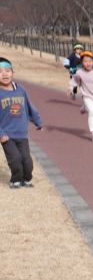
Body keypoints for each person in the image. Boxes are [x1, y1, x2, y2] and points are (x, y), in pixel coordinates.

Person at [0, 57, 43, 189]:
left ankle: (26, 179)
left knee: (27, 160)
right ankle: (16, 180)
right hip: (6, 135)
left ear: (13, 72)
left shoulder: (20, 89)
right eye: (0, 71)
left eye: (7, 70)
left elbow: (30, 106)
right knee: (15, 159)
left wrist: (37, 121)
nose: (4, 74)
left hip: (22, 133)